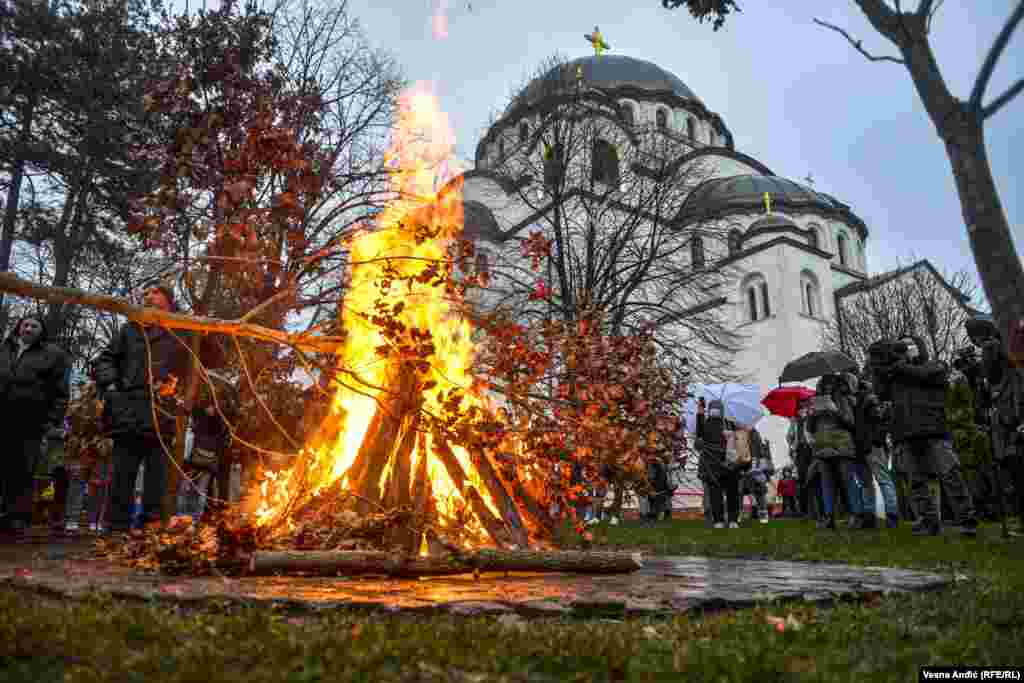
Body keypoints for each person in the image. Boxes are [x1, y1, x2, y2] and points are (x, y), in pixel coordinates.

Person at [93, 285, 191, 537]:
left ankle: (150, 527)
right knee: (122, 470)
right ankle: (116, 527)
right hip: (129, 407)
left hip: (163, 409)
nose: (148, 297)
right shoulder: (129, 330)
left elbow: (208, 360)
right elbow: (105, 359)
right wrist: (112, 386)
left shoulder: (181, 330)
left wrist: (200, 328)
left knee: (157, 473)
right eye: (145, 294)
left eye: (155, 292)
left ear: (169, 300)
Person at [871, 335, 978, 536]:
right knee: (915, 480)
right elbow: (880, 392)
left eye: (908, 346)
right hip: (904, 431)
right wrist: (878, 366)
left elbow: (925, 375)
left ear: (919, 348)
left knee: (950, 474)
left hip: (933, 428)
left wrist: (900, 365)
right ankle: (928, 520)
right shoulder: (894, 373)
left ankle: (966, 518)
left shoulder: (934, 366)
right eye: (900, 347)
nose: (903, 350)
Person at [0, 316, 71, 538]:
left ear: (41, 331)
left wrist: (52, 420)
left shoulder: (52, 355)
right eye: (26, 324)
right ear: (19, 327)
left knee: (21, 469)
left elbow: (60, 392)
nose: (29, 328)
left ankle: (16, 519)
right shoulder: (5, 348)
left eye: (34, 326)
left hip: (29, 421)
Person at [806, 373, 867, 530]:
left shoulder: (842, 399)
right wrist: (812, 416)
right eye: (823, 384)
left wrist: (835, 411)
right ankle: (829, 517)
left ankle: (857, 515)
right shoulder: (815, 402)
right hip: (823, 446)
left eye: (829, 384)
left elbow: (850, 422)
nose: (826, 387)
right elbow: (810, 428)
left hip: (842, 445)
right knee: (827, 483)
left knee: (848, 482)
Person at [853, 373, 900, 528]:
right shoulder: (864, 402)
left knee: (877, 480)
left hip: (869, 445)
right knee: (873, 481)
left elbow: (879, 420)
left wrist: (878, 437)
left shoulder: (865, 402)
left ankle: (885, 514)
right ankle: (878, 515)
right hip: (868, 445)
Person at [696, 399, 741, 529]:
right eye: (712, 408)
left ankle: (733, 519)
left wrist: (731, 435)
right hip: (712, 464)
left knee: (732, 493)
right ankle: (718, 520)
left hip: (729, 463)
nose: (714, 410)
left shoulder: (729, 423)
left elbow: (740, 438)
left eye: (717, 408)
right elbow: (699, 435)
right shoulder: (705, 423)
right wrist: (699, 413)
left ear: (721, 410)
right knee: (715, 494)